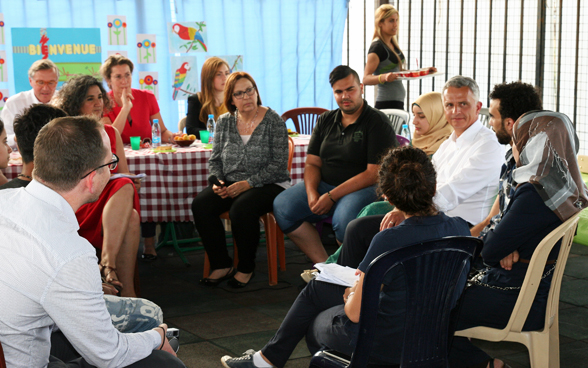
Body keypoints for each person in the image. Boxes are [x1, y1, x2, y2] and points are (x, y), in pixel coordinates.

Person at [221, 146, 471, 368]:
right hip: (432, 337)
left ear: (387, 196)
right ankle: (267, 359)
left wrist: (352, 293)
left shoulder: (388, 239)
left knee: (317, 322)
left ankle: (269, 360)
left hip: (384, 341)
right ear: (434, 185)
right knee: (318, 290)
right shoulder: (460, 230)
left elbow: (353, 314)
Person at [0, 116, 184, 367]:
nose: (113, 171)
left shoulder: (5, 201)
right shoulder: (69, 254)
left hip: (16, 341)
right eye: (111, 164)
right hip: (23, 360)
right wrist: (158, 336)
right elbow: (110, 355)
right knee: (164, 361)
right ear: (90, 179)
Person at [449, 111, 588, 368]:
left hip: (516, 299)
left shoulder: (534, 192)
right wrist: (504, 243)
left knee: (426, 304)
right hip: (533, 290)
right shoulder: (565, 186)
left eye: (516, 141)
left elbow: (489, 251)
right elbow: (499, 244)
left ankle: (481, 364)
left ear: (530, 144)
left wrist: (500, 242)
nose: (513, 147)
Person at [335, 76, 503, 270]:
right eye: (449, 105)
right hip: (429, 217)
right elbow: (426, 182)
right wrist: (401, 208)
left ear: (477, 106)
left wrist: (406, 210)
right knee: (358, 229)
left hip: (460, 227)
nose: (455, 111)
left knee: (378, 235)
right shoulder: (450, 142)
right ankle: (341, 282)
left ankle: (356, 288)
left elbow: (451, 194)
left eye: (463, 104)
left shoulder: (488, 145)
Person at [273, 65, 397, 263]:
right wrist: (313, 193)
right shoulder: (325, 120)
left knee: (344, 221)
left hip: (365, 187)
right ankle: (324, 267)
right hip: (326, 184)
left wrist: (331, 196)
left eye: (350, 89)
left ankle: (348, 272)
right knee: (282, 206)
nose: (344, 96)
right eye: (338, 91)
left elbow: (374, 173)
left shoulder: (376, 121)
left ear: (361, 88)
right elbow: (312, 163)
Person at [191, 71, 290, 288]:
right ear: (231, 99)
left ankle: (246, 268)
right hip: (231, 182)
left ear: (256, 92)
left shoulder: (273, 120)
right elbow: (215, 160)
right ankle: (221, 264)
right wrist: (217, 183)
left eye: (249, 91)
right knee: (201, 204)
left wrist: (247, 184)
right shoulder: (225, 122)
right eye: (239, 94)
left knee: (241, 208)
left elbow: (278, 165)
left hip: (269, 183)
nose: (246, 97)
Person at [55, 75, 142, 297]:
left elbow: (124, 172)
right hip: (80, 205)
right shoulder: (66, 134)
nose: (98, 103)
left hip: (111, 203)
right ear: (76, 103)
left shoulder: (111, 132)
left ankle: (117, 278)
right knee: (126, 199)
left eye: (100, 97)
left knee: (126, 191)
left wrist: (133, 180)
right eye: (90, 99)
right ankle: (115, 275)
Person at [470, 81, 545, 237]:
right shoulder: (519, 161)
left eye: (492, 116)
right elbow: (491, 221)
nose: (489, 122)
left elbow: (500, 234)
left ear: (510, 123)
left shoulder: (527, 173)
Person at [362, 4, 435, 110]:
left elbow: (398, 72)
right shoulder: (377, 47)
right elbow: (366, 79)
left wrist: (423, 71)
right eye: (391, 20)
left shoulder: (392, 44)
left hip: (397, 102)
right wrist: (384, 77)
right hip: (386, 103)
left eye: (396, 20)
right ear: (381, 23)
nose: (395, 24)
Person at [0, 59, 59, 185]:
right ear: (30, 81)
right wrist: (22, 137)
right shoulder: (14, 102)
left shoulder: (63, 100)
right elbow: (5, 138)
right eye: (40, 82)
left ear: (57, 82)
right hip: (25, 161)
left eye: (51, 82)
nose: (46, 88)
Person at [100, 54, 174, 145]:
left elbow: (162, 132)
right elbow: (110, 138)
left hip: (148, 154)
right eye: (118, 77)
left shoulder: (147, 96)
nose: (124, 81)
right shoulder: (103, 102)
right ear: (108, 80)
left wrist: (172, 137)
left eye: (127, 75)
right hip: (120, 156)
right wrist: (125, 108)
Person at [186, 56, 231, 138]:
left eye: (227, 73)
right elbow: (191, 130)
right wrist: (216, 133)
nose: (225, 78)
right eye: (219, 74)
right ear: (209, 78)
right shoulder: (196, 100)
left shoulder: (234, 99)